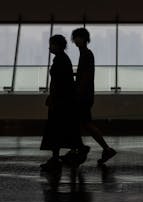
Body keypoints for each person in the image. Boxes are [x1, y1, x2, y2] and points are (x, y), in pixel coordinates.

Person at [63, 27, 117, 165]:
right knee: (82, 123)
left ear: (84, 39)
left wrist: (77, 92)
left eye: (78, 37)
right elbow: (84, 75)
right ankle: (84, 149)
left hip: (82, 96)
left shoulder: (86, 54)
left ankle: (80, 149)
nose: (75, 40)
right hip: (85, 95)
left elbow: (86, 77)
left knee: (81, 123)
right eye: (75, 38)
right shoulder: (85, 54)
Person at [40, 34, 84, 171]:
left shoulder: (60, 61)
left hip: (60, 101)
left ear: (57, 45)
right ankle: (71, 153)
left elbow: (59, 83)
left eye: (51, 44)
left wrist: (52, 97)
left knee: (55, 129)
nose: (49, 47)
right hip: (64, 100)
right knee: (63, 128)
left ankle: (56, 158)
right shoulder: (63, 59)